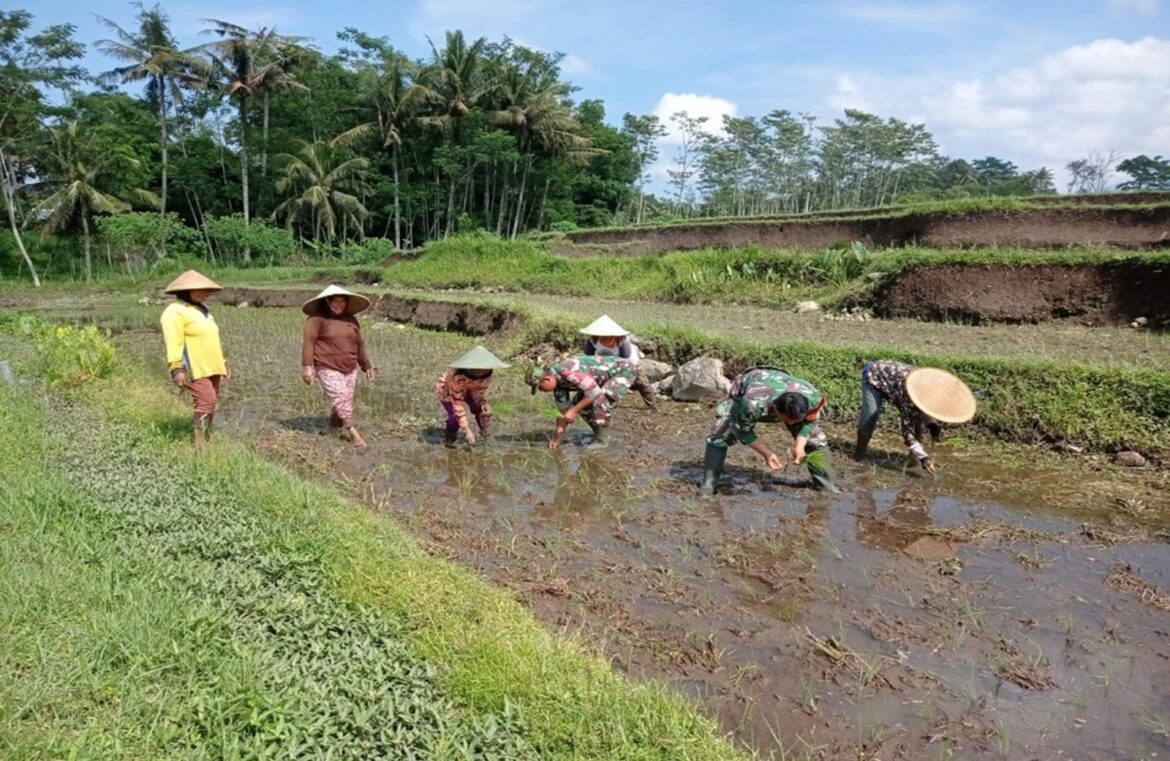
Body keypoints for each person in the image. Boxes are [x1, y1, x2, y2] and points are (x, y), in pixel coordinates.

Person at [699, 366, 838, 495]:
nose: (791, 424)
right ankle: (709, 485)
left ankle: (826, 486)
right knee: (721, 434)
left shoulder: (812, 398)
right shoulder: (751, 405)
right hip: (749, 387)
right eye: (787, 420)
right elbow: (742, 431)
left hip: (781, 383)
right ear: (775, 408)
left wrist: (799, 446)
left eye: (796, 421)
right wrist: (767, 454)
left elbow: (809, 422)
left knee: (816, 440)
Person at [854, 361, 976, 476]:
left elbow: (923, 412)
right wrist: (924, 458)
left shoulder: (931, 389)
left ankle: (913, 457)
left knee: (919, 422)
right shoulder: (910, 396)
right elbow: (907, 433)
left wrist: (931, 423)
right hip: (874, 377)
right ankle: (859, 455)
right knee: (870, 417)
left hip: (895, 379)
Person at [160, 270, 228, 449]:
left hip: (211, 366)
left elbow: (210, 340)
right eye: (198, 290)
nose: (203, 294)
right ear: (185, 291)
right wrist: (177, 368)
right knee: (206, 401)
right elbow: (173, 341)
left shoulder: (201, 310)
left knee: (211, 402)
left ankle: (206, 439)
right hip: (194, 367)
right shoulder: (174, 311)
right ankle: (199, 446)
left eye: (205, 290)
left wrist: (223, 363)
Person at [300, 285, 376, 447]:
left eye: (342, 301)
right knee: (340, 398)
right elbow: (309, 342)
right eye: (335, 301)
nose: (339, 305)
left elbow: (359, 344)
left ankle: (333, 428)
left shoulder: (351, 320)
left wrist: (366, 365)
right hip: (326, 365)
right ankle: (354, 433)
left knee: (344, 398)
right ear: (327, 301)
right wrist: (308, 366)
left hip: (349, 366)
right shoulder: (316, 319)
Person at [526, 355, 635, 449]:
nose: (541, 391)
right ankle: (598, 432)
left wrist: (573, 411)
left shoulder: (567, 372)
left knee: (598, 401)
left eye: (540, 387)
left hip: (623, 370)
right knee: (579, 402)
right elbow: (563, 413)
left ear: (547, 379)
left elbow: (594, 392)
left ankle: (602, 440)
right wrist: (556, 439)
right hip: (599, 379)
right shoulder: (558, 387)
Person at [435, 345, 510, 447]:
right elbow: (457, 403)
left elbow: (479, 391)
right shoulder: (457, 376)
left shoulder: (487, 372)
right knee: (454, 418)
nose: (484, 371)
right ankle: (450, 440)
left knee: (480, 408)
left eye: (486, 368)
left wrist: (483, 402)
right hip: (449, 392)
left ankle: (485, 431)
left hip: (470, 390)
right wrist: (467, 430)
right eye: (481, 368)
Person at [580, 314, 657, 408]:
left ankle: (651, 404)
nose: (605, 337)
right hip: (606, 363)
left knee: (642, 383)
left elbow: (625, 356)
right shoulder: (593, 340)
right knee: (609, 383)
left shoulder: (622, 341)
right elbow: (589, 356)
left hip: (629, 362)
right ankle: (607, 402)